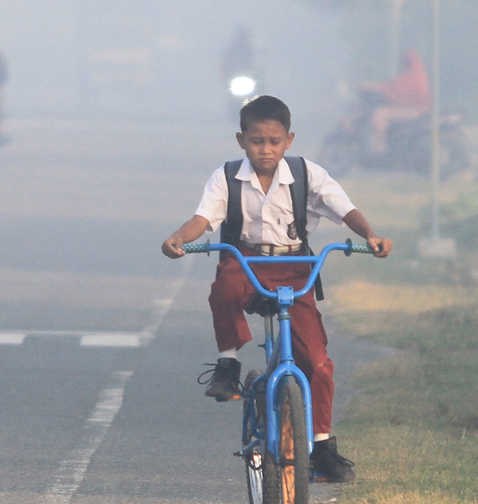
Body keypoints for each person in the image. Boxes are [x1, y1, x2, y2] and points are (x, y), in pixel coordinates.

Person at [161, 96, 393, 483]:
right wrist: (178, 238)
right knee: (224, 289)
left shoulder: (307, 175)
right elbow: (204, 218)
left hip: (296, 267)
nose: (265, 150)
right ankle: (228, 361)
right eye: (256, 141)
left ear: (289, 140)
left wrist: (370, 235)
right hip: (247, 260)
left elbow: (344, 208)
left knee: (317, 363)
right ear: (241, 140)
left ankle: (321, 446)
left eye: (273, 141)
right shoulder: (226, 177)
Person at [360, 49, 431, 153]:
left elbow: (395, 88)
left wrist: (373, 87)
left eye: (404, 62)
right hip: (417, 109)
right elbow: (395, 86)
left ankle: (380, 147)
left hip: (416, 110)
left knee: (380, 113)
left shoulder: (412, 75)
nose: (402, 65)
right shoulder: (417, 73)